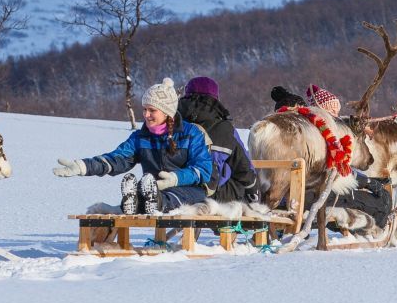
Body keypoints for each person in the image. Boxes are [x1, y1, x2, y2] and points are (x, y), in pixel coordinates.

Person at [53, 78, 212, 214]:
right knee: (147, 195)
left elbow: (204, 169)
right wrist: (84, 166)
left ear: (166, 112)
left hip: (190, 191)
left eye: (152, 110)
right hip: (153, 188)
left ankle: (151, 201)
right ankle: (133, 201)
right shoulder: (140, 137)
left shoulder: (190, 133)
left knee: (172, 197)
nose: (146, 115)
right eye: (144, 109)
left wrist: (175, 178)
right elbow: (117, 159)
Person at [269, 85, 393, 231]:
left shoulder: (272, 136)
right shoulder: (316, 136)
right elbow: (335, 171)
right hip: (310, 197)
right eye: (332, 111)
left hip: (296, 197)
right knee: (379, 200)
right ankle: (375, 231)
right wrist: (370, 183)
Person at [177, 76, 259, 202]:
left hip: (176, 190)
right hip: (215, 194)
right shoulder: (224, 128)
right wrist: (253, 190)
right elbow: (244, 167)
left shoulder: (172, 123)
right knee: (239, 183)